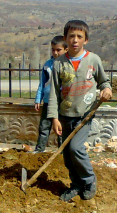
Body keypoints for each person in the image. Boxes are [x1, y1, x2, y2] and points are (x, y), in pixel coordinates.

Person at [47, 20, 112, 202]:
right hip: (64, 116)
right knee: (67, 155)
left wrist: (107, 90)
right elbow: (53, 92)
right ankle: (75, 185)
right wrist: (54, 118)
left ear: (86, 40)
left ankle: (89, 180)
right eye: (71, 36)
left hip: (84, 115)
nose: (75, 40)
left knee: (76, 148)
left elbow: (104, 82)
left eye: (79, 37)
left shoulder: (93, 60)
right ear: (66, 39)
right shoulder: (59, 63)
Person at [33, 35, 67, 153]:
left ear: (65, 50)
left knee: (61, 129)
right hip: (48, 101)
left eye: (58, 50)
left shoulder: (67, 64)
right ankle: (39, 149)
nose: (55, 52)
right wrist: (38, 98)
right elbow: (42, 83)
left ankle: (62, 152)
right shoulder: (48, 64)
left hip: (62, 102)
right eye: (53, 49)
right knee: (44, 127)